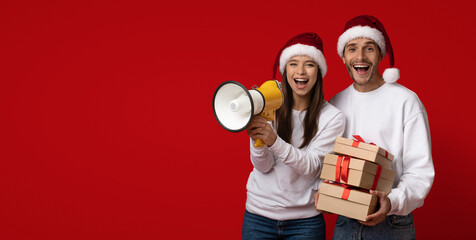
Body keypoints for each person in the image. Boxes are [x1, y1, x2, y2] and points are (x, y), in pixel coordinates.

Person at [314, 15, 435, 239]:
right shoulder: (334, 104)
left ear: (380, 53)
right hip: (345, 220)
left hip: (392, 222)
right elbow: (324, 161)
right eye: (352, 49)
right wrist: (325, 193)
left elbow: (420, 172)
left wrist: (391, 201)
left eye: (369, 48)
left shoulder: (406, 101)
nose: (360, 57)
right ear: (343, 56)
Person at [241, 32, 345, 239]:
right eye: (293, 64)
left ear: (319, 71)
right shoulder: (269, 103)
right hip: (258, 217)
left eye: (309, 64)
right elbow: (263, 167)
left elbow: (312, 168)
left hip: (305, 223)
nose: (300, 71)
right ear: (284, 70)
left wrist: (274, 141)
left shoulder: (332, 117)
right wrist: (258, 143)